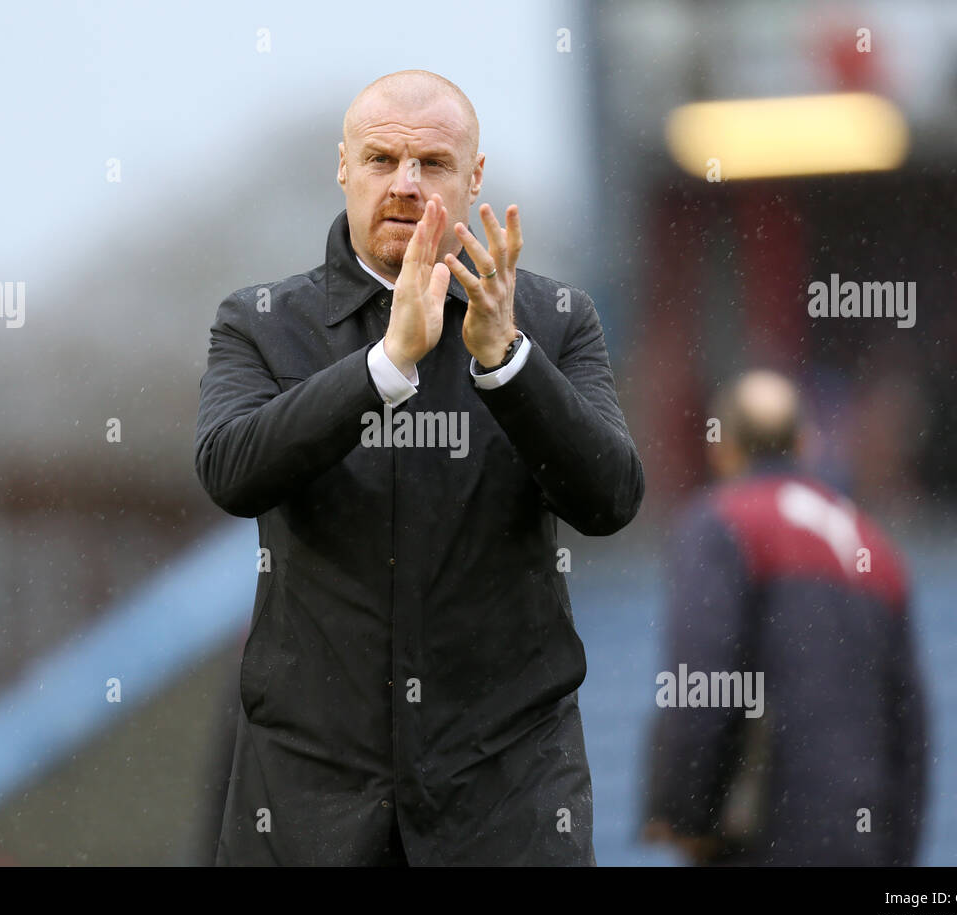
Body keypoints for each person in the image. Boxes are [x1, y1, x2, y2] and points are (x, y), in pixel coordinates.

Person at [194, 70, 644, 865]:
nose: (405, 185)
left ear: (475, 177)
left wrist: (507, 364)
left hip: (506, 791)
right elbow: (230, 471)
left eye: (433, 163)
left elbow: (610, 497)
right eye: (380, 160)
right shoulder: (260, 323)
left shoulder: (556, 320)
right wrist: (384, 364)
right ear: (343, 167)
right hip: (309, 796)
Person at [642, 370, 929, 865]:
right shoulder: (873, 548)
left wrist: (685, 812)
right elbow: (910, 725)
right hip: (863, 839)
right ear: (805, 445)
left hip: (764, 836)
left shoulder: (723, 525)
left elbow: (701, 681)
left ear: (724, 447)